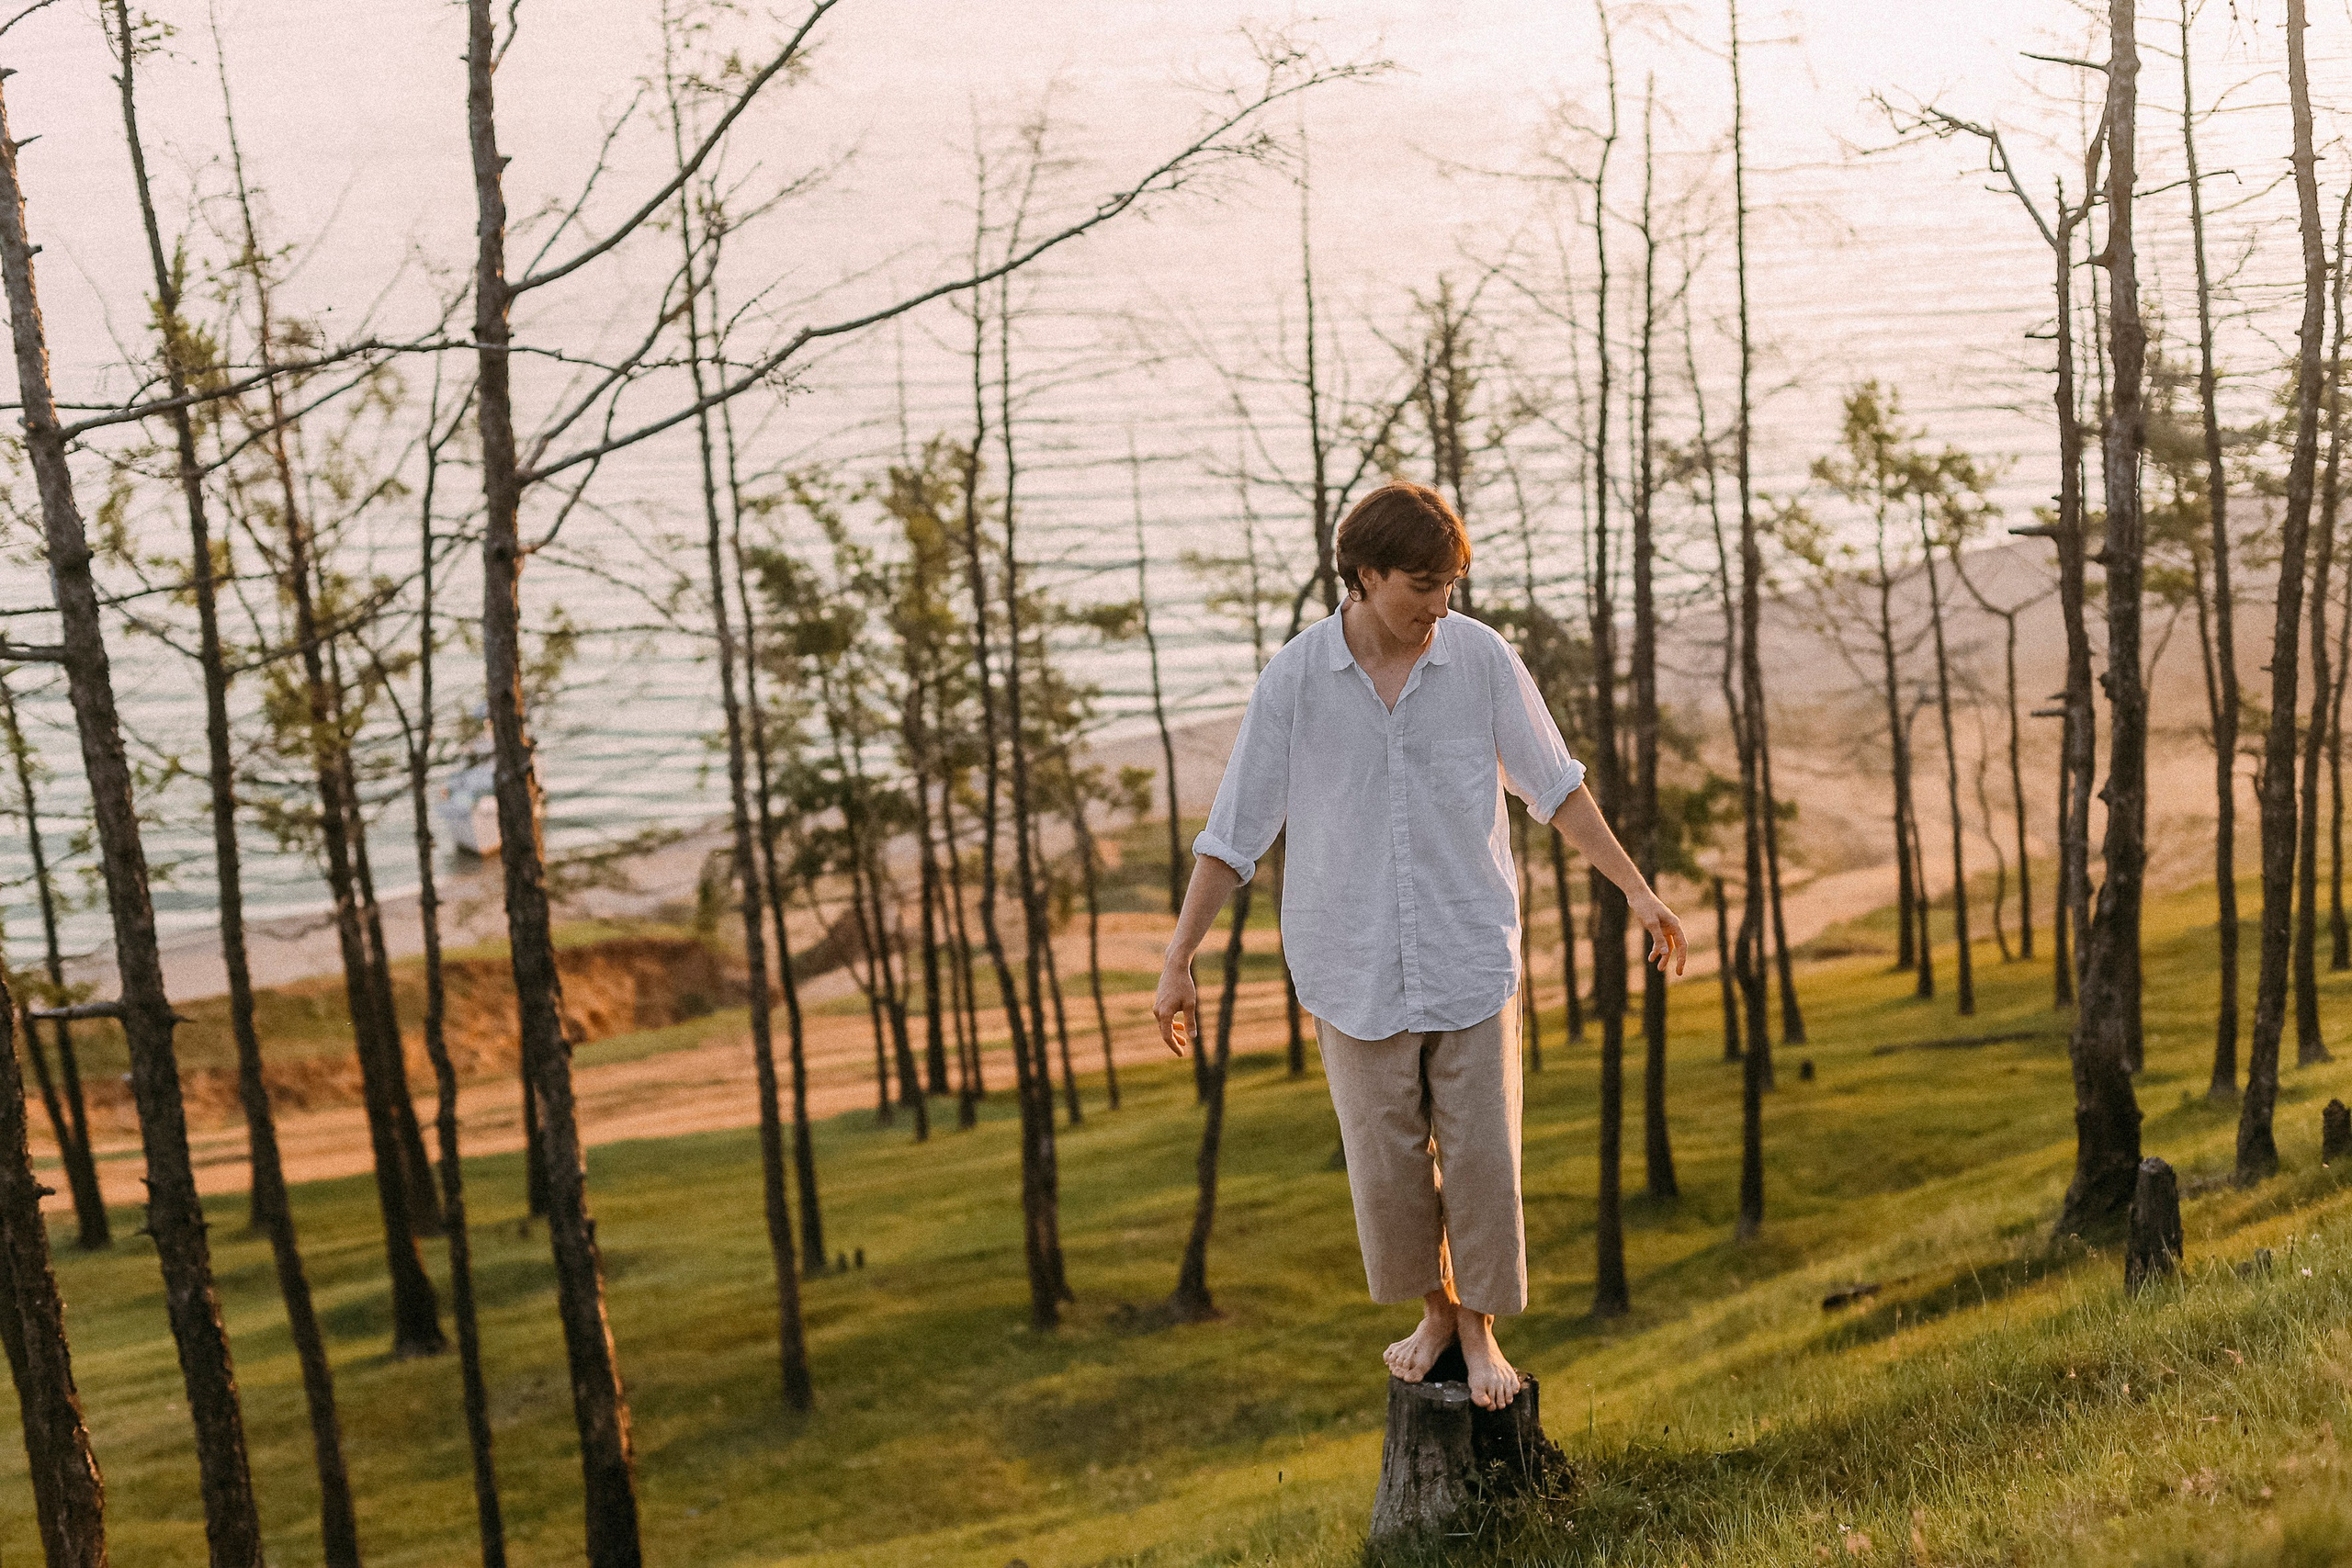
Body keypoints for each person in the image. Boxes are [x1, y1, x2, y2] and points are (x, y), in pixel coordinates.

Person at [1152, 480, 1686, 1411]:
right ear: (1364, 577)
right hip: (1348, 963)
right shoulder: (1294, 682)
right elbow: (1233, 834)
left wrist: (1636, 891)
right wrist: (1178, 958)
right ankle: (1436, 1312)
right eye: (1420, 587)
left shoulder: (1480, 659)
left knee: (1481, 1159)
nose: (1438, 607)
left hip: (1467, 952)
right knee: (1390, 1168)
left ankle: (1479, 1331)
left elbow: (1553, 787)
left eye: (1450, 586)